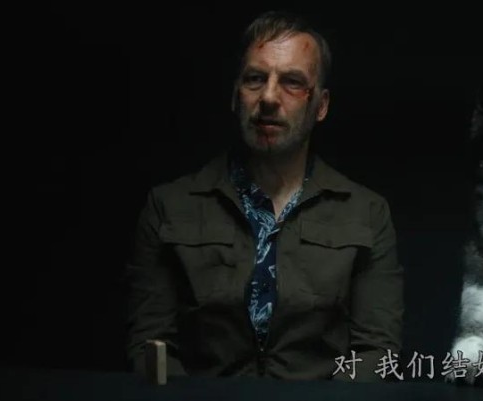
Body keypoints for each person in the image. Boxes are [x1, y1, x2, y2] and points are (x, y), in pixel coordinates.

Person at [125, 10, 403, 381]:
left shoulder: (366, 213)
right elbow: (151, 346)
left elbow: (376, 351)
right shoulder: (169, 207)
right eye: (255, 79)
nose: (269, 97)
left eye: (292, 82)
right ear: (235, 95)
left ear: (320, 105)